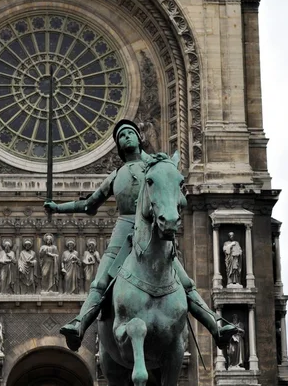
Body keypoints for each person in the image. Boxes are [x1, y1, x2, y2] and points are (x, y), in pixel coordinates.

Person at [45, 119, 238, 352]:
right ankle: (79, 324)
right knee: (100, 281)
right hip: (123, 229)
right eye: (120, 136)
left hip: (152, 231)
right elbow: (89, 205)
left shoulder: (156, 166)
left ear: (139, 138)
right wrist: (57, 208)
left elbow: (176, 195)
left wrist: (171, 205)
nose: (126, 137)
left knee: (184, 282)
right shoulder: (116, 175)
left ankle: (216, 325)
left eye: (130, 133)